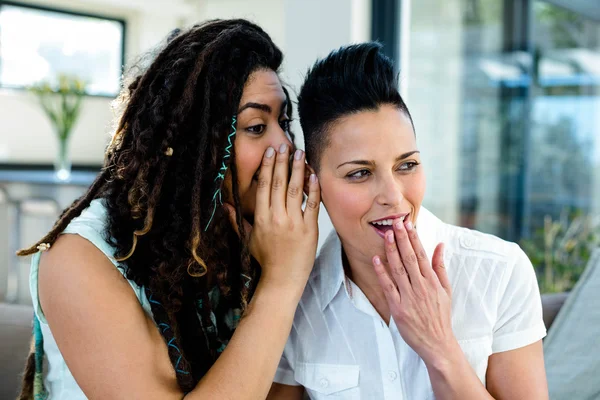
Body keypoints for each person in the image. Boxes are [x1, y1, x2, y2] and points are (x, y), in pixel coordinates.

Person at [17, 19, 320, 400]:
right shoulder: (78, 259)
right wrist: (281, 282)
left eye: (284, 122)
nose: (285, 147)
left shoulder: (254, 241)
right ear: (193, 146)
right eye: (256, 127)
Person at [267, 43, 548, 399]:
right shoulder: (297, 297)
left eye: (407, 165)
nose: (393, 196)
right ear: (312, 180)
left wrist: (441, 348)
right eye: (359, 174)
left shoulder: (499, 272)